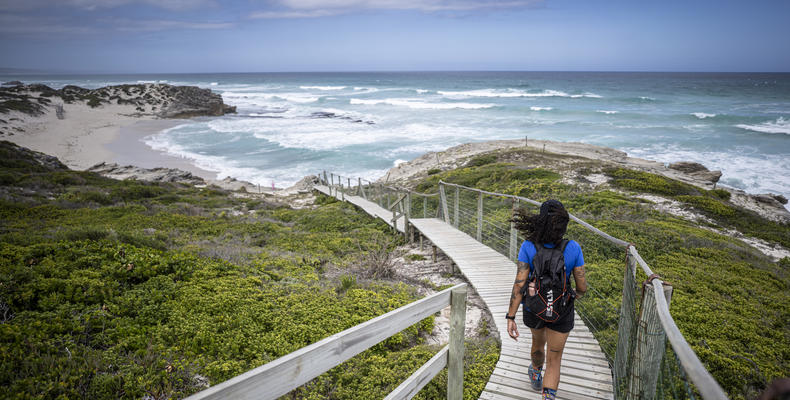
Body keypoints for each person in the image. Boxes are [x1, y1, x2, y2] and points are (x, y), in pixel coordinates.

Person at [505, 199, 588, 400]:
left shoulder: (528, 246)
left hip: (534, 307)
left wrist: (511, 316)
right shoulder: (573, 247)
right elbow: (582, 285)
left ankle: (535, 371)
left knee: (537, 344)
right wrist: (576, 294)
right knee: (555, 359)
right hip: (562, 309)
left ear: (540, 221)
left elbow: (519, 284)